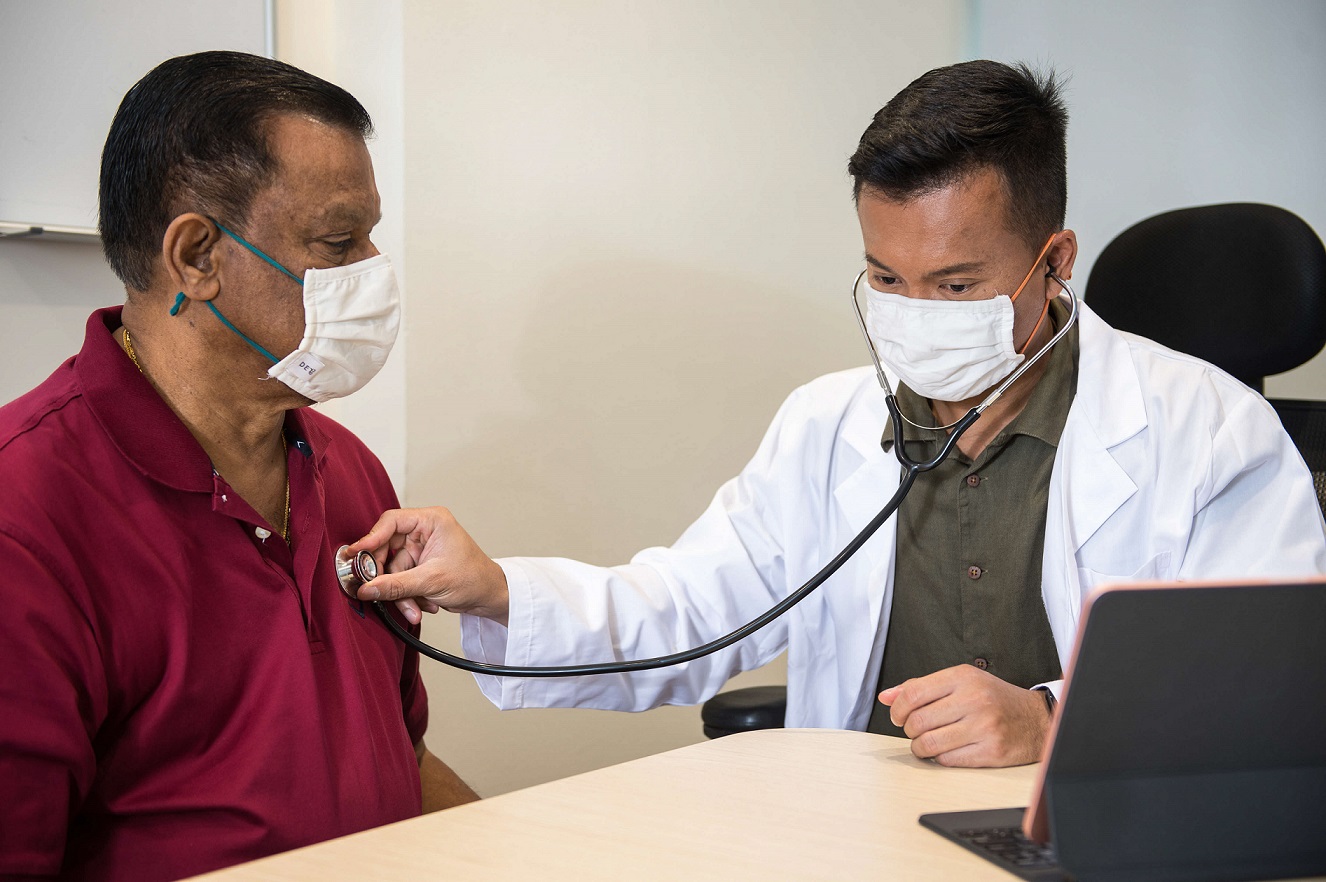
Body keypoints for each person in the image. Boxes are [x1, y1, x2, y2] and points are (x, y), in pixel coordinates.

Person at [348, 61, 1326, 769]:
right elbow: (691, 610)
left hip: (1090, 839)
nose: (914, 315)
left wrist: (1049, 722)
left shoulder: (1210, 431)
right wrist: (497, 593)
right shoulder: (830, 425)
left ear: (1056, 260)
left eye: (956, 284)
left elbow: (1274, 690)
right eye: (885, 277)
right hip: (852, 842)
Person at [0, 51, 477, 882]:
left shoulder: (350, 473)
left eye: (372, 235)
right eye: (339, 241)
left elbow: (402, 759)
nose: (374, 273)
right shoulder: (25, 518)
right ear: (196, 257)